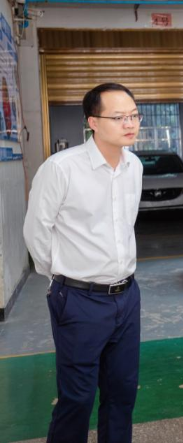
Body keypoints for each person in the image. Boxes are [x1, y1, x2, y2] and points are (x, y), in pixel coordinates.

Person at [23, 83, 144, 443]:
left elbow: (125, 225)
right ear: (93, 121)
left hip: (127, 295)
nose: (130, 123)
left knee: (122, 392)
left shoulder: (134, 166)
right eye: (119, 117)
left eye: (134, 115)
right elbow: (37, 233)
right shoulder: (61, 168)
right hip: (79, 298)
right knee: (77, 397)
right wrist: (64, 277)